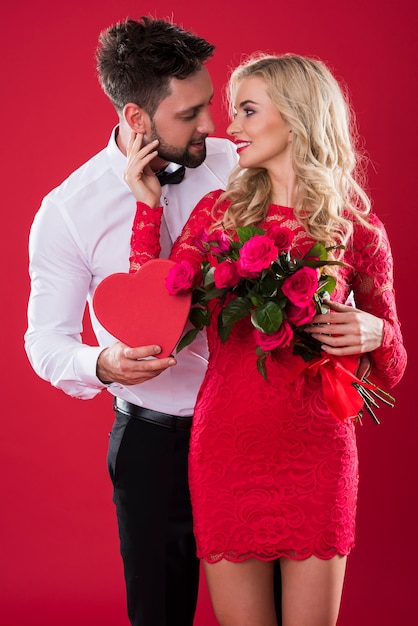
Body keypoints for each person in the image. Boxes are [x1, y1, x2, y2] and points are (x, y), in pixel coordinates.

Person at [125, 53, 407, 625]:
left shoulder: (357, 227)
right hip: (227, 448)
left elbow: (393, 369)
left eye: (248, 111)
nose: (232, 127)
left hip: (319, 452)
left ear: (298, 116)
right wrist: (148, 207)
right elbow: (154, 326)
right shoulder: (218, 215)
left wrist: (378, 332)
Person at [24, 17, 240, 626]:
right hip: (154, 440)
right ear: (135, 117)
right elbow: (44, 341)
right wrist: (102, 363)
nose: (210, 126)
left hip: (251, 423)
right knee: (159, 612)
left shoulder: (239, 167)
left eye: (209, 105)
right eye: (190, 113)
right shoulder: (68, 211)